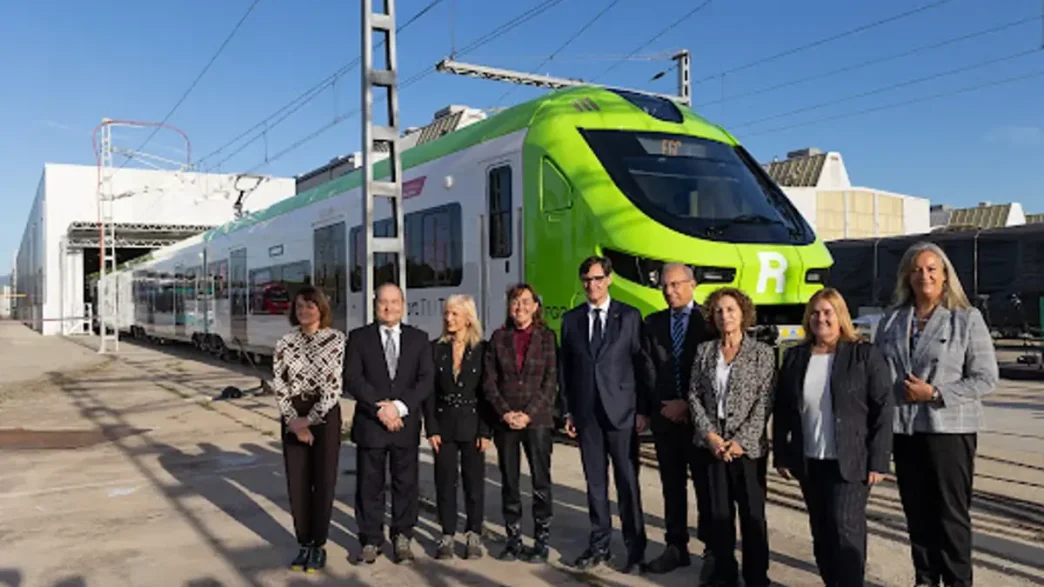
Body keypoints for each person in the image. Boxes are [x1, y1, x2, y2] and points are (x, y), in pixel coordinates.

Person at [874, 242, 998, 587]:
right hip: (905, 430)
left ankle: (958, 581)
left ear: (945, 276)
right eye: (917, 269)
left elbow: (986, 378)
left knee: (951, 515)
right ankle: (925, 578)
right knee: (917, 512)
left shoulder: (966, 319)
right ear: (907, 276)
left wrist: (937, 393)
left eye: (931, 269)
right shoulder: (892, 319)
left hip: (949, 430)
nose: (923, 275)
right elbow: (877, 372)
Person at [774, 288, 894, 587]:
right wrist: (782, 453)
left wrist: (879, 460)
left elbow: (883, 409)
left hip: (850, 461)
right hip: (810, 460)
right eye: (815, 313)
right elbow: (784, 410)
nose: (821, 319)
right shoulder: (795, 357)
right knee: (822, 530)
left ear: (841, 317)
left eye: (828, 312)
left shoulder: (863, 354)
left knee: (845, 529)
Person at [559, 255, 649, 573]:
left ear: (609, 279)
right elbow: (565, 371)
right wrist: (568, 411)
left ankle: (635, 550)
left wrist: (642, 410)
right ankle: (599, 545)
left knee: (627, 483)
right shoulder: (571, 321)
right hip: (587, 416)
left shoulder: (630, 317)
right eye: (586, 280)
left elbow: (641, 366)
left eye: (598, 279)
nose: (592, 285)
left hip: (622, 414)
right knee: (595, 484)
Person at [688, 287, 775, 587]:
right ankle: (724, 572)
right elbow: (694, 396)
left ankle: (756, 576)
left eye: (731, 310)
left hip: (747, 450)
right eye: (719, 310)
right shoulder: (704, 352)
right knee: (718, 514)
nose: (725, 316)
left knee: (752, 516)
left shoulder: (762, 354)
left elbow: (765, 401)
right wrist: (711, 436)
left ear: (743, 314)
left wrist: (740, 441)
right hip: (712, 446)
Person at [344, 282, 435, 564]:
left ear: (403, 305)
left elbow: (426, 380)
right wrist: (379, 409)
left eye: (394, 302)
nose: (389, 307)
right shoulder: (359, 338)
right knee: (369, 485)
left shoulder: (419, 339)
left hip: (404, 425)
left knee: (405, 484)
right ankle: (371, 539)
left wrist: (398, 408)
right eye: (383, 301)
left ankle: (402, 536)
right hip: (371, 425)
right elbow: (353, 378)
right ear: (375, 304)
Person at [640, 263, 716, 578]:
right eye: (665, 286)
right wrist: (655, 408)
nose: (669, 291)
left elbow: (713, 373)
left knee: (707, 486)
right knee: (672, 486)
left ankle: (713, 549)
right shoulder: (653, 323)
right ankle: (676, 546)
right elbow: (647, 371)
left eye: (676, 285)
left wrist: (688, 404)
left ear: (692, 285)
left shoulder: (709, 323)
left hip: (701, 423)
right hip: (665, 420)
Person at [270, 286, 346, 573]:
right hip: (293, 414)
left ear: (322, 309)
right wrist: (292, 420)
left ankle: (319, 544)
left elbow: (333, 385)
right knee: (297, 481)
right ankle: (303, 542)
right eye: (300, 306)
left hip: (324, 415)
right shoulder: (284, 342)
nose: (305, 311)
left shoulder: (336, 340)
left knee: (323, 479)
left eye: (311, 306)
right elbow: (279, 383)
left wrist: (310, 420)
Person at [483, 283, 559, 562]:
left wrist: (528, 413)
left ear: (536, 306)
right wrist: (505, 413)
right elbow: (489, 382)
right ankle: (512, 539)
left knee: (540, 482)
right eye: (515, 302)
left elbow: (551, 382)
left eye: (526, 302)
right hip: (506, 422)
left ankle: (541, 541)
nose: (520, 307)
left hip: (537, 420)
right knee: (510, 482)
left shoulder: (547, 337)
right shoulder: (498, 337)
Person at [423, 294, 492, 560]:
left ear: (467, 317)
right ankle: (447, 534)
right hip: (444, 424)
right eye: (446, 313)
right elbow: (429, 393)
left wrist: (486, 431)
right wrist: (431, 428)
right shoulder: (436, 348)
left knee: (474, 483)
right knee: (445, 481)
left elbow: (487, 393)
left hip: (473, 424)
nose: (448, 318)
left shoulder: (482, 350)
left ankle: (474, 533)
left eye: (454, 313)